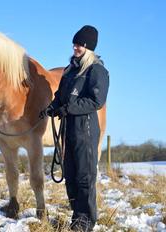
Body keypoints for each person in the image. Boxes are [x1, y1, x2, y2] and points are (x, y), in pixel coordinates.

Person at [40, 25, 109, 231]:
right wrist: (51, 108)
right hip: (68, 129)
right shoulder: (70, 71)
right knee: (70, 175)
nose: (75, 47)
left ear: (88, 46)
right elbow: (60, 96)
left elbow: (96, 101)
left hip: (85, 130)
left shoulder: (97, 71)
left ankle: (85, 221)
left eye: (79, 44)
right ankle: (77, 216)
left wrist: (68, 108)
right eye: (74, 44)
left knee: (84, 177)